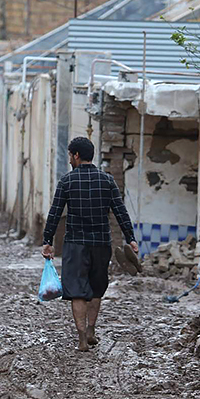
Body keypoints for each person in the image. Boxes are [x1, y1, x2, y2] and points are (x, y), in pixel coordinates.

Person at [41, 136, 139, 353]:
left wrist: (47, 241)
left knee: (77, 292)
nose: (69, 160)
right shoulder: (107, 180)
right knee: (96, 289)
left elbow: (55, 213)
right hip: (101, 243)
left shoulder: (67, 181)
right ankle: (92, 330)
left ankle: (82, 339)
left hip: (75, 244)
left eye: (70, 155)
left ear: (76, 155)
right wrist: (130, 238)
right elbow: (120, 211)